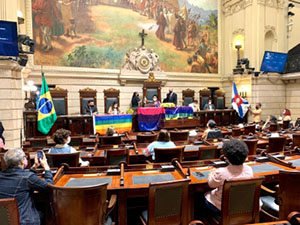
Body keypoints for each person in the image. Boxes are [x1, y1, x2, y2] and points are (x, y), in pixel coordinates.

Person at [0, 148, 53, 225]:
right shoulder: (28, 177)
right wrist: (46, 167)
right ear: (22, 161)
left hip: (4, 220)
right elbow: (48, 187)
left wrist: (34, 168)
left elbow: (21, 177)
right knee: (48, 212)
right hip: (24, 220)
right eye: (25, 157)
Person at [204, 139, 253, 214]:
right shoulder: (249, 169)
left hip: (223, 207)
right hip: (244, 206)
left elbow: (211, 184)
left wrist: (211, 174)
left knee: (203, 196)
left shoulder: (221, 172)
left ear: (226, 157)